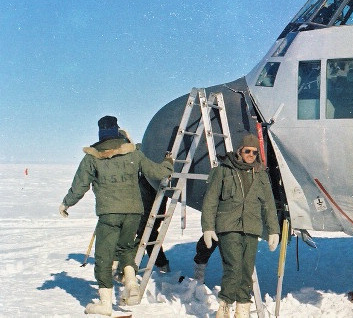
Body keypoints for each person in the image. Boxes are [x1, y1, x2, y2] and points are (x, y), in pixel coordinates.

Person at [59, 116, 173, 316]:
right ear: (117, 130)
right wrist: (168, 163)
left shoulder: (92, 157)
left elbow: (80, 186)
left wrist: (66, 203)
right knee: (127, 247)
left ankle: (105, 304)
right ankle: (131, 283)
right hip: (133, 212)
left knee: (104, 256)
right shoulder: (134, 154)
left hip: (109, 213)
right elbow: (156, 172)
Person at [201, 134, 280, 318]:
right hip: (228, 225)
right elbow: (210, 200)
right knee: (234, 267)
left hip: (251, 226)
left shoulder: (260, 173)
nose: (251, 155)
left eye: (254, 152)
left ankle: (242, 308)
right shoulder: (224, 170)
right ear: (239, 151)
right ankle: (225, 305)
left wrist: (274, 230)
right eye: (247, 151)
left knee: (247, 268)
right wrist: (208, 227)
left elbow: (268, 204)